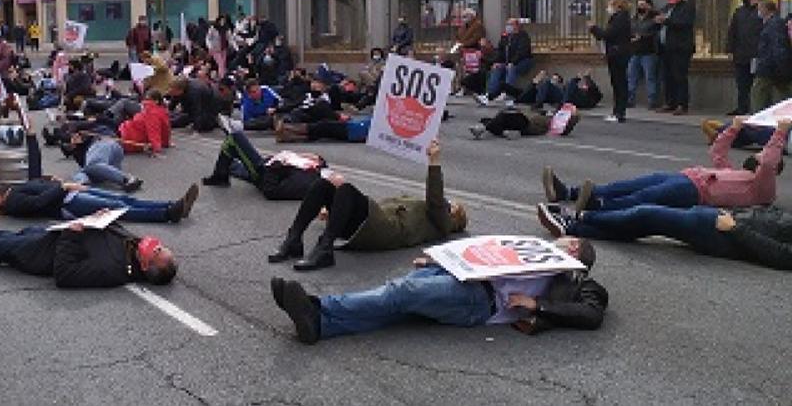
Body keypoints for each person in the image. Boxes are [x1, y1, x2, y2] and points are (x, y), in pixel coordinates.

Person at [271, 236, 606, 344]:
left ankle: (318, 306)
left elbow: (591, 313)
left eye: (567, 240)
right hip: (467, 282)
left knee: (398, 293)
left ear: (574, 249)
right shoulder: (531, 250)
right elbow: (486, 255)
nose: (558, 239)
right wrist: (444, 262)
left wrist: (538, 305)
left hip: (479, 301)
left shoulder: (578, 281)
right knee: (397, 307)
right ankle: (320, 325)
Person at [267, 139, 467, 271]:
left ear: (454, 217)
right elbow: (376, 207)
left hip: (384, 231)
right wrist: (335, 209)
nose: (446, 202)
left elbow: (434, 198)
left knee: (345, 188)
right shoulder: (423, 210)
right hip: (371, 223)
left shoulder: (442, 224)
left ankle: (324, 250)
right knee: (324, 184)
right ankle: (294, 239)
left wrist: (434, 162)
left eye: (451, 205)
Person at [542, 117, 788, 213]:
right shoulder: (737, 173)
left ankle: (597, 207)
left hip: (696, 192)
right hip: (687, 177)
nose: (758, 155)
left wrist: (780, 133)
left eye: (761, 155)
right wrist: (734, 128)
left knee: (645, 196)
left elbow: (767, 162)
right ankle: (569, 193)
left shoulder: (762, 189)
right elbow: (717, 151)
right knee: (631, 184)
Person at [0, 221, 177, 288]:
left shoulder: (112, 270)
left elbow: (65, 275)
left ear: (147, 263)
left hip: (37, 255)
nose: (156, 245)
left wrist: (71, 234)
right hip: (48, 235)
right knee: (18, 233)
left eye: (158, 250)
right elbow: (111, 230)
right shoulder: (131, 247)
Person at [537, 202, 792, 271]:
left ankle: (580, 218)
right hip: (724, 220)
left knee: (646, 215)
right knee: (643, 225)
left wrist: (735, 228)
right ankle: (573, 228)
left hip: (723, 234)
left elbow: (782, 256)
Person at [0, 178, 199, 224]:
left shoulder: (15, 191)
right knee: (118, 208)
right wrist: (62, 187)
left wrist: (55, 181)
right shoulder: (13, 203)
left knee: (122, 199)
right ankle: (167, 213)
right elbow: (38, 203)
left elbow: (39, 186)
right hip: (67, 204)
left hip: (69, 195)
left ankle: (171, 205)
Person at [202, 131, 327, 200]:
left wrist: (277, 166)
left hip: (264, 173)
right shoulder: (313, 168)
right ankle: (224, 170)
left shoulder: (307, 181)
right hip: (268, 166)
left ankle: (220, 176)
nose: (308, 156)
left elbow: (271, 191)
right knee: (234, 164)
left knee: (235, 138)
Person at [589, 0, 632, 123]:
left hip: (617, 54)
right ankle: (617, 111)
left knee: (619, 83)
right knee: (618, 83)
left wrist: (594, 28)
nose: (608, 8)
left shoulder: (620, 19)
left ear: (617, 7)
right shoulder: (622, 18)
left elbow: (607, 34)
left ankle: (619, 113)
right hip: (617, 53)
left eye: (610, 6)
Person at [657, 0, 695, 115]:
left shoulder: (686, 7)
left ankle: (682, 104)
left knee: (679, 76)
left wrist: (666, 21)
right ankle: (670, 102)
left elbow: (683, 23)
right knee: (667, 76)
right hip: (666, 48)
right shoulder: (667, 8)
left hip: (680, 48)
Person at [726, 0, 764, 115]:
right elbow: (732, 31)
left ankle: (756, 109)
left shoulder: (762, 10)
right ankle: (742, 107)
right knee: (741, 83)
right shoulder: (740, 11)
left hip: (756, 54)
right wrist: (730, 49)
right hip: (741, 53)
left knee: (756, 84)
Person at [63, 133, 143, 192]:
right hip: (110, 156)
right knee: (86, 171)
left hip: (103, 144)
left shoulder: (84, 134)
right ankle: (83, 184)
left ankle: (127, 178)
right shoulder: (78, 154)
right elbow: (90, 169)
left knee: (90, 167)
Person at [751, 0, 792, 111]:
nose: (758, 12)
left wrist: (783, 70)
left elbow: (778, 48)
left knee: (759, 98)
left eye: (759, 9)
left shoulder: (774, 24)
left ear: (766, 10)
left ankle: (757, 124)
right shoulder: (771, 24)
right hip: (771, 68)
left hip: (769, 69)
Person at [481, 18, 533, 103]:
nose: (508, 27)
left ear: (516, 26)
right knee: (496, 68)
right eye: (507, 24)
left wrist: (512, 62)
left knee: (511, 68)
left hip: (523, 62)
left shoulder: (523, 36)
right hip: (508, 62)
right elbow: (500, 52)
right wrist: (496, 62)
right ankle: (490, 93)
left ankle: (507, 93)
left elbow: (522, 53)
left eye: (510, 24)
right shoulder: (505, 37)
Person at [627, 0, 661, 110]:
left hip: (648, 52)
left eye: (643, 5)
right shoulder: (634, 19)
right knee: (631, 76)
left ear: (648, 6)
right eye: (639, 5)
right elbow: (630, 31)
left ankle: (652, 101)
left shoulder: (654, 18)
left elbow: (656, 33)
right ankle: (629, 100)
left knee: (650, 77)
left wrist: (642, 37)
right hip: (635, 52)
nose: (640, 7)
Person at [469, 105, 578, 139]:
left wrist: (573, 116)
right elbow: (533, 109)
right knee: (494, 118)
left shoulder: (559, 124)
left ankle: (483, 129)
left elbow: (568, 125)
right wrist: (545, 112)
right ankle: (504, 132)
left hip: (528, 125)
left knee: (505, 115)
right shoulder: (546, 114)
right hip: (524, 120)